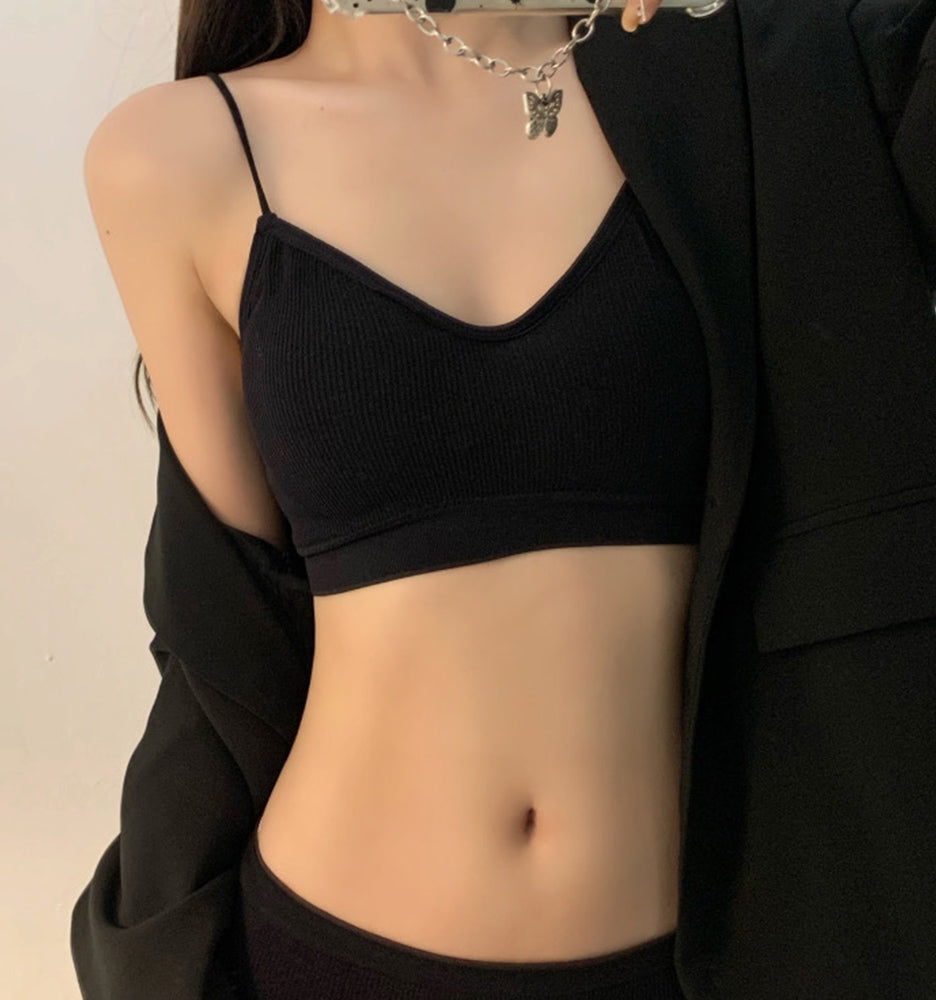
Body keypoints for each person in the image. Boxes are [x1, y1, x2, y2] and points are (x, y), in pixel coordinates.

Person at [71, 1, 936, 998]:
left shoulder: (739, 70)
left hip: (705, 951)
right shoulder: (171, 156)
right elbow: (224, 625)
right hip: (333, 946)